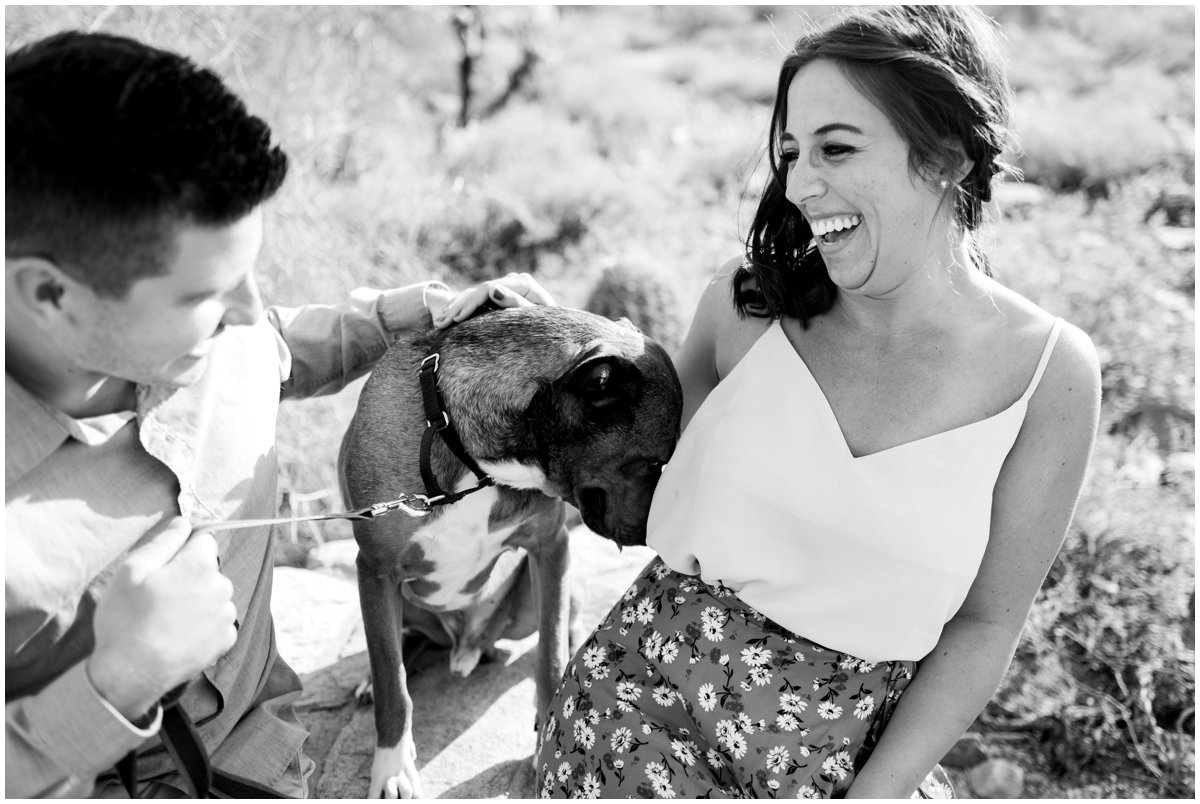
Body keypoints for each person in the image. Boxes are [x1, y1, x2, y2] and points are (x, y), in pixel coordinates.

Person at [461, 5, 1100, 799]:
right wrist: (514, 354)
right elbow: (611, 467)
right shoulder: (744, 306)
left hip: (843, 768)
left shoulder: (1050, 376)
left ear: (946, 156)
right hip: (626, 724)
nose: (798, 184)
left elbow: (985, 626)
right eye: (792, 152)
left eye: (836, 148)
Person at [4, 31, 547, 798]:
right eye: (202, 296)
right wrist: (108, 686)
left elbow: (280, 344)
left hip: (275, 761)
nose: (248, 311)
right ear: (49, 293)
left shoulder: (227, 345)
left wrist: (434, 311)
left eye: (249, 272)